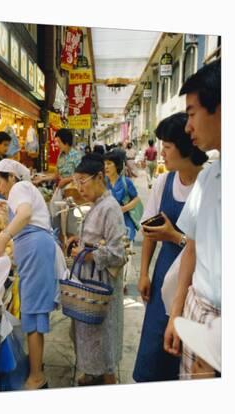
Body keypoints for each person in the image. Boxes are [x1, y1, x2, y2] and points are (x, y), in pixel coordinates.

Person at [133, 112, 208, 383]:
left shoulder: (208, 184)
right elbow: (150, 233)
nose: (161, 152)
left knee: (182, 355)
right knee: (154, 351)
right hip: (164, 275)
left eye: (167, 146)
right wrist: (143, 273)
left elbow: (208, 247)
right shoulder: (164, 183)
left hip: (195, 284)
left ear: (186, 146)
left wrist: (174, 235)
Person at [163, 58, 221, 379]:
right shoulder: (210, 176)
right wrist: (176, 314)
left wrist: (219, 348)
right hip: (196, 311)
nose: (188, 127)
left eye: (191, 114)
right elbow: (192, 250)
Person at [0, 159, 59, 390]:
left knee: (33, 313)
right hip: (36, 252)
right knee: (34, 313)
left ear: (11, 177)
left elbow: (26, 213)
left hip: (36, 252)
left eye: (0, 183)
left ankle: (37, 377)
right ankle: (37, 368)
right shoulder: (22, 190)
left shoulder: (19, 188)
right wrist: (3, 204)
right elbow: (22, 209)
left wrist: (3, 237)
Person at [67, 153, 126, 386]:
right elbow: (93, 238)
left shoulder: (110, 208)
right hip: (89, 283)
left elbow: (118, 253)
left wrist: (88, 254)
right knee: (87, 332)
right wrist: (79, 242)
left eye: (83, 181)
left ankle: (108, 381)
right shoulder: (97, 205)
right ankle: (92, 373)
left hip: (102, 286)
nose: (79, 187)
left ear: (99, 177)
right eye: (76, 181)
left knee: (104, 338)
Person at [103, 151, 141, 242]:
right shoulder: (103, 183)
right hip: (109, 224)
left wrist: (124, 208)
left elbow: (136, 199)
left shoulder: (126, 182)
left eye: (109, 164)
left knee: (125, 250)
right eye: (104, 164)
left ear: (117, 165)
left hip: (126, 223)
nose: (106, 167)